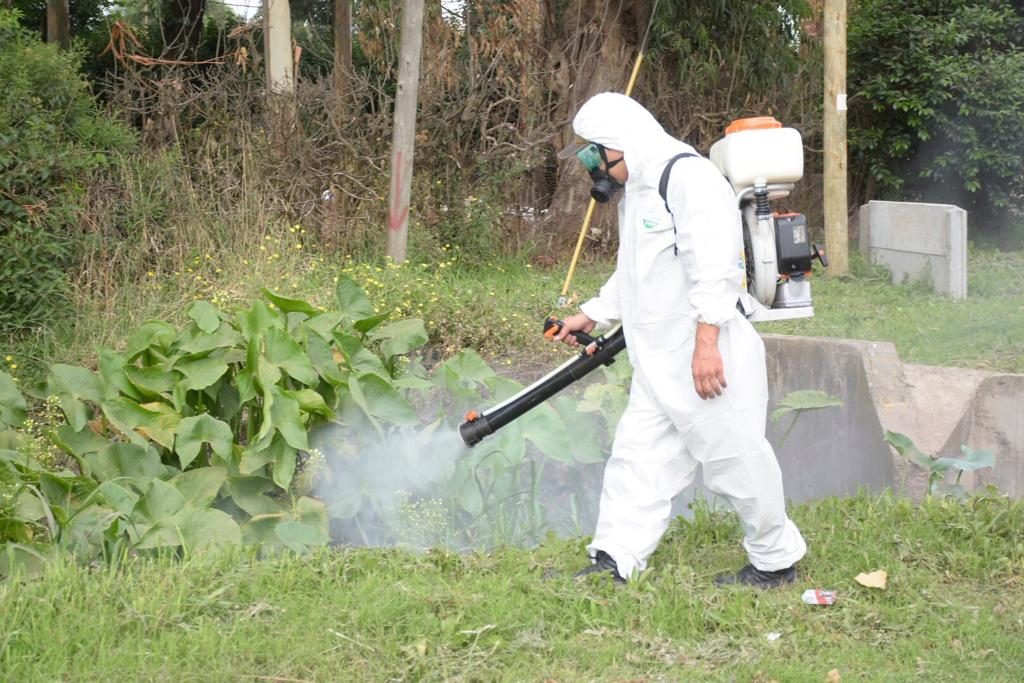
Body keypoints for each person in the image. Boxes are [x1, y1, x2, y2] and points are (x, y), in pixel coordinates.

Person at [552, 92, 806, 588]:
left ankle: (774, 562)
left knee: (736, 460)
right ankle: (615, 560)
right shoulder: (641, 189)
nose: (591, 166)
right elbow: (639, 272)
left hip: (704, 354)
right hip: (658, 358)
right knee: (638, 457)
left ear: (620, 146)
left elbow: (717, 268)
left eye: (593, 153)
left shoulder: (686, 178)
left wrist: (707, 345)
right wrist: (592, 314)